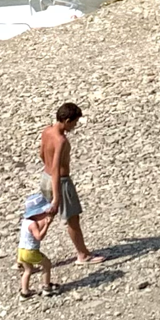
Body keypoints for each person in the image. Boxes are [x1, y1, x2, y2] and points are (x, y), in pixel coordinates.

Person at [38, 102, 103, 264]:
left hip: (44, 178)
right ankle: (83, 255)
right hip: (60, 181)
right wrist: (57, 196)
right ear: (67, 120)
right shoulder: (61, 140)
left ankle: (25, 253)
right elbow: (55, 167)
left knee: (44, 216)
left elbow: (41, 154)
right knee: (72, 219)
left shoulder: (46, 131)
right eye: (74, 122)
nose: (75, 126)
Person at [16, 192, 56, 297]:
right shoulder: (33, 224)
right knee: (47, 264)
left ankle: (25, 292)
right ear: (37, 213)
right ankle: (46, 287)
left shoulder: (25, 221)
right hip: (31, 251)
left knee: (28, 270)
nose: (45, 214)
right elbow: (39, 237)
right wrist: (47, 225)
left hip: (21, 251)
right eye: (43, 212)